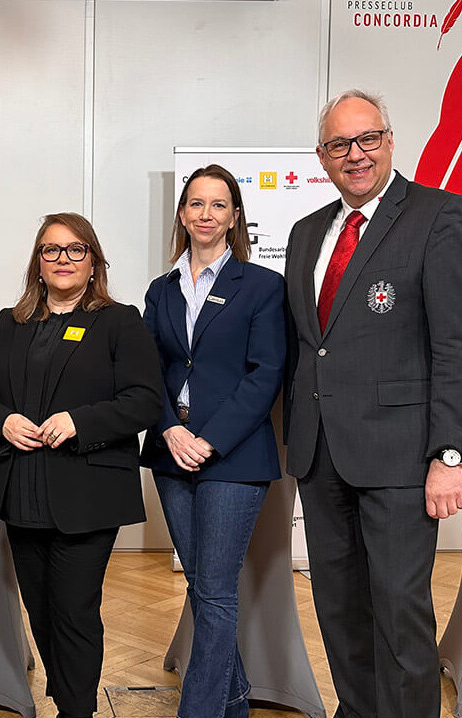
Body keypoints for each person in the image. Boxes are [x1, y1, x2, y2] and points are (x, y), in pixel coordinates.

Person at [283, 89, 462, 718]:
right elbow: (308, 347)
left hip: (402, 460)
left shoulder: (441, 217)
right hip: (321, 457)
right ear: (322, 156)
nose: (356, 154)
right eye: (340, 144)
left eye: (367, 138)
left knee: (400, 616)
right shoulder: (306, 233)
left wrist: (449, 453)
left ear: (391, 141)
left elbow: (460, 345)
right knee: (340, 609)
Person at [0, 213, 161, 718]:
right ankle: (69, 696)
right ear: (38, 262)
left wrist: (79, 420)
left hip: (86, 492)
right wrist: (3, 421)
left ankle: (77, 711)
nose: (64, 260)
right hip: (22, 488)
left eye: (76, 250)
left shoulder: (119, 321)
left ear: (93, 261)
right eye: (52, 250)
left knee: (73, 610)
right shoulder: (11, 323)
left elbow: (143, 400)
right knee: (41, 610)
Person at [141, 165, 286, 718]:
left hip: (234, 456)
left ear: (234, 216)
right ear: (182, 214)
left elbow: (265, 373)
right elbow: (145, 372)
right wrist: (171, 428)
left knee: (217, 591)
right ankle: (236, 703)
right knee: (204, 586)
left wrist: (209, 439)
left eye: (218, 205)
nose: (206, 214)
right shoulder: (161, 289)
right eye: (196, 204)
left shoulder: (262, 286)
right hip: (170, 451)